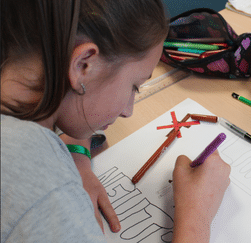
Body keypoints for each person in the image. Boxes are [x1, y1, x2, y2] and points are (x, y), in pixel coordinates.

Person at [0, 0, 231, 242]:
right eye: (134, 87)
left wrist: (76, 153)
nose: (128, 111)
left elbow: (89, 95)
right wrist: (196, 212)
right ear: (82, 65)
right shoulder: (44, 192)